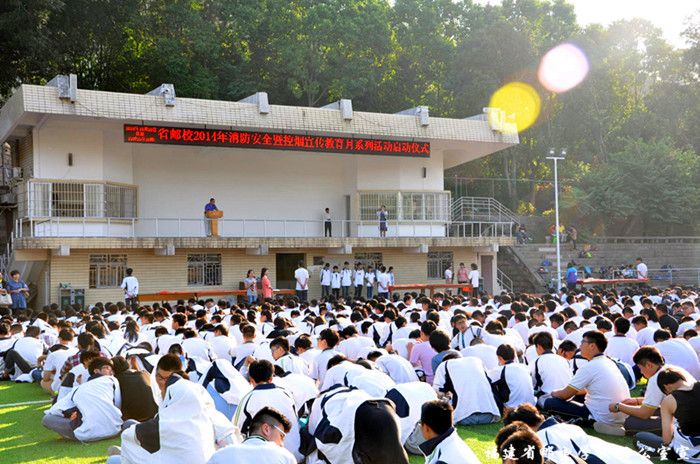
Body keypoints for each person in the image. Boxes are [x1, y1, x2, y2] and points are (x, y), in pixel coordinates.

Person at [546, 331, 629, 436]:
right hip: (619, 414)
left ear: (592, 346)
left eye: (582, 342)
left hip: (601, 415)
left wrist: (553, 392)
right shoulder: (609, 362)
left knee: (550, 403)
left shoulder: (589, 367)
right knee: (577, 396)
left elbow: (564, 395)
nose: (579, 346)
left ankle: (591, 422)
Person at [234, 360, 301, 461]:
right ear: (271, 378)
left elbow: (236, 429)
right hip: (294, 453)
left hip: (267, 457)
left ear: (251, 379)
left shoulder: (248, 398)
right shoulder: (286, 393)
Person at [43, 357, 122, 442]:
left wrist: (69, 415)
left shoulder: (79, 388)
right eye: (107, 368)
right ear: (96, 371)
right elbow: (118, 405)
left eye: (111, 369)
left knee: (47, 418)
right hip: (115, 430)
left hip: (87, 435)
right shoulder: (113, 380)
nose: (111, 372)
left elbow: (55, 410)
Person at [635, 367, 700, 462]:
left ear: (666, 386)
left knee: (640, 437)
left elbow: (667, 440)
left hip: (691, 454)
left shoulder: (669, 400)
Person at [207, 407, 296, 464]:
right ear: (266, 429)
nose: (282, 444)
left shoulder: (220, 456)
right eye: (281, 436)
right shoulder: (285, 457)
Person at [432, 354, 500, 425]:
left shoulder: (444, 365)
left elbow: (436, 393)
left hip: (463, 418)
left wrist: (447, 396)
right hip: (490, 416)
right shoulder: (476, 360)